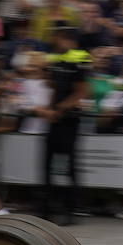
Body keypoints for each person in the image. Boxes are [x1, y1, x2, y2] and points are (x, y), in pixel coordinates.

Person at [40, 28, 90, 226]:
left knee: (70, 166)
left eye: (57, 38)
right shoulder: (57, 60)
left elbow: (81, 91)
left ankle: (71, 209)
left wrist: (59, 109)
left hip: (69, 120)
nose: (53, 41)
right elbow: (55, 88)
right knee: (47, 164)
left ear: (67, 39)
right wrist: (50, 108)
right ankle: (46, 207)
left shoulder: (78, 60)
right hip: (55, 118)